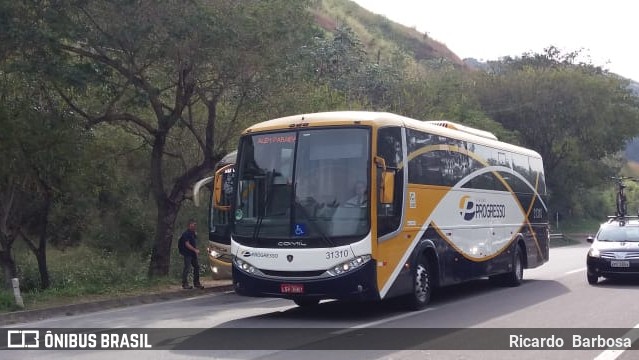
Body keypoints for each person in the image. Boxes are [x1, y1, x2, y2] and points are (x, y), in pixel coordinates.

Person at [178, 219, 204, 289]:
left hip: (192, 253)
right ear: (189, 225)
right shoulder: (186, 234)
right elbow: (187, 244)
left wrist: (195, 250)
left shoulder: (193, 233)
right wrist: (195, 250)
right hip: (187, 253)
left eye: (195, 225)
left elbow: (194, 242)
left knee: (196, 267)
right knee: (187, 267)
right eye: (193, 225)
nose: (195, 226)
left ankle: (196, 283)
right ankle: (185, 283)